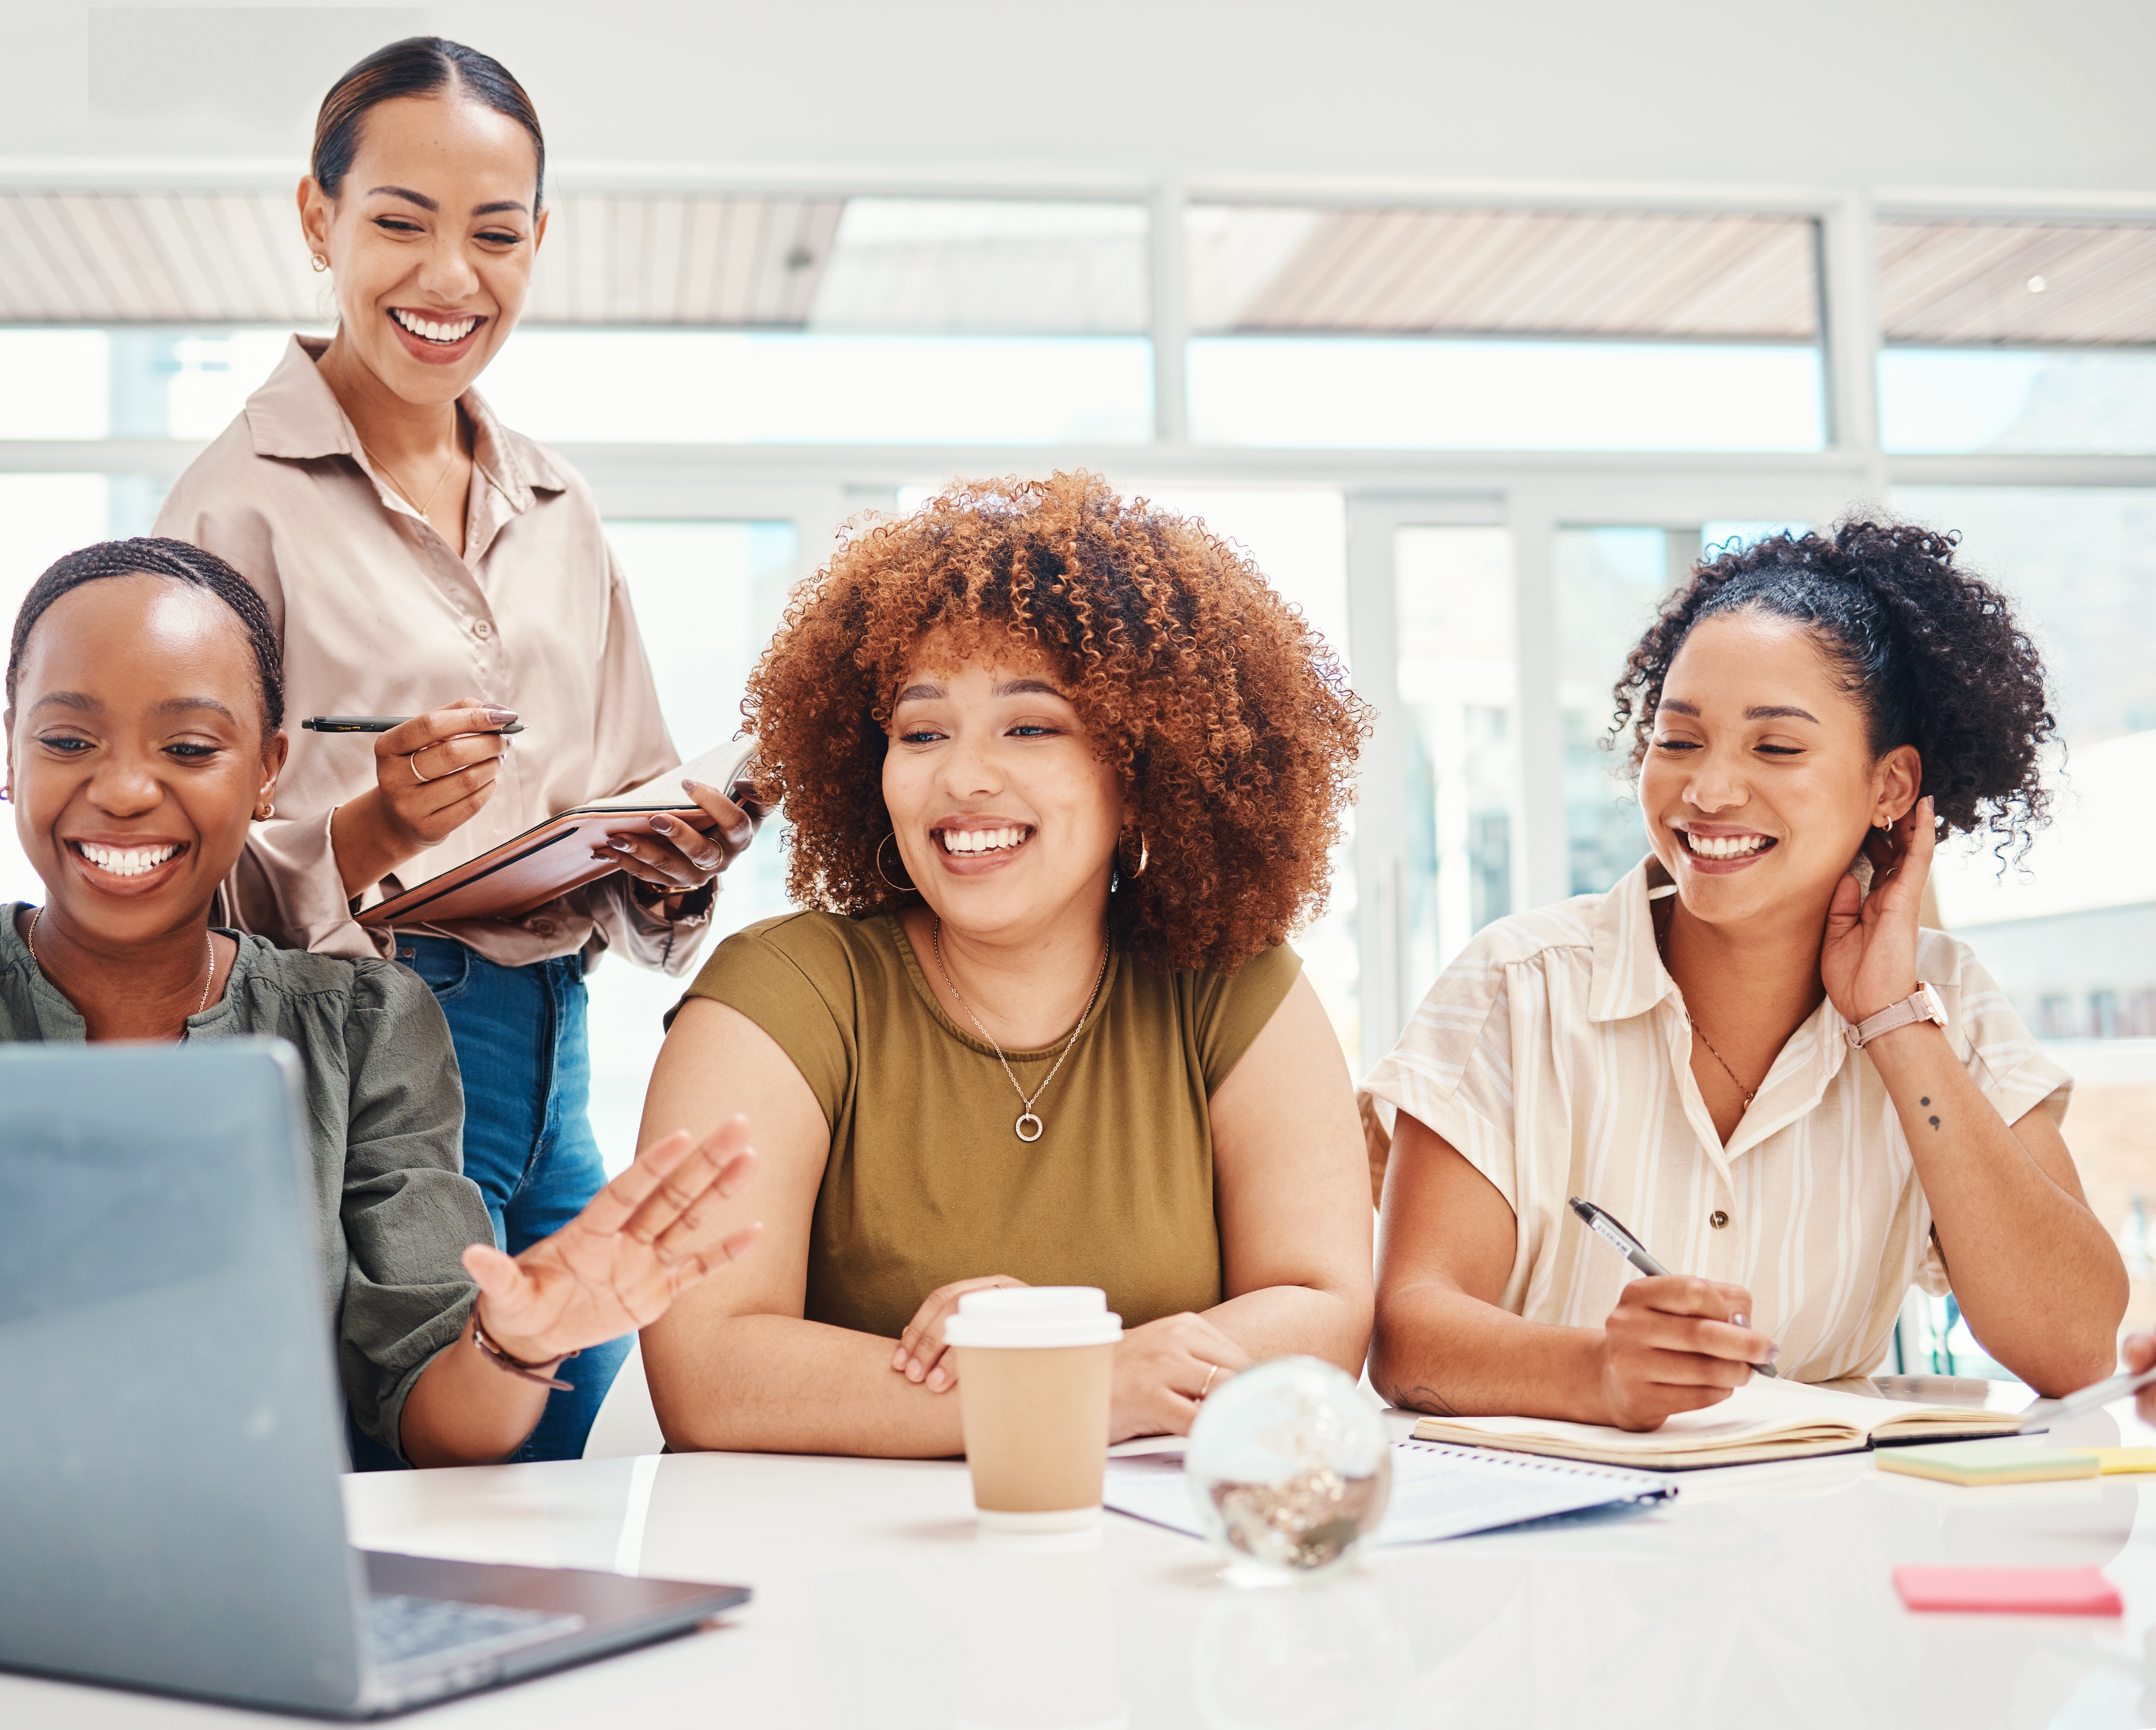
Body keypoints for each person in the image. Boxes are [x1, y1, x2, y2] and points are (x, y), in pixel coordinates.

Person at [0, 539, 761, 1503]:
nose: (123, 788)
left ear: (269, 771)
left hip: (259, 1617)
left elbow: (439, 1421)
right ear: (8, 758)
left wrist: (520, 1339)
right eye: (68, 740)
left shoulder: (367, 1026)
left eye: (189, 746)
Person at [151, 37, 756, 1462]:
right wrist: (364, 829)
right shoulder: (231, 508)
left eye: (494, 234)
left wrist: (670, 864)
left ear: (540, 243)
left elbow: (619, 794)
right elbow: (159, 856)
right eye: (399, 223)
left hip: (555, 1044)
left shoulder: (557, 503)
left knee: (567, 1411)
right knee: (425, 1455)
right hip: (369, 1049)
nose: (448, 279)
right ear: (319, 222)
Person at [637, 473, 1377, 1456]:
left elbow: (1324, 1312)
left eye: (1031, 727)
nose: (965, 776)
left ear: (1143, 762)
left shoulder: (1232, 984)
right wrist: (1068, 1383)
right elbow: (707, 1372)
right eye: (921, 731)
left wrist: (1056, 1366)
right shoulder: (777, 995)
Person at [1366, 521, 2124, 1427]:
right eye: (1679, 741)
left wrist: (1891, 1021)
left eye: (1775, 749)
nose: (1710, 791)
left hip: (1821, 1536)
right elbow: (1408, 1334)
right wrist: (1599, 1370)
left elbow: (2077, 1346)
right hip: (1553, 1544)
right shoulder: (1518, 986)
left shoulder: (1947, 1003)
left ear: (1891, 787)